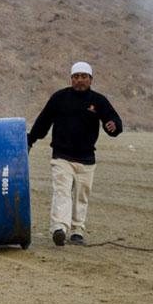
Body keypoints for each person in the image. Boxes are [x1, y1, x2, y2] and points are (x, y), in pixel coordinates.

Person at [27, 61, 122, 246]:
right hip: (62, 156)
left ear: (91, 79)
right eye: (76, 77)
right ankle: (59, 228)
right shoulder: (59, 98)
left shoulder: (99, 100)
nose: (80, 80)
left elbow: (113, 121)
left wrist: (114, 126)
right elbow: (43, 121)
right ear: (71, 79)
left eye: (84, 77)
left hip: (87, 159)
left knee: (81, 195)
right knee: (62, 191)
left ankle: (77, 231)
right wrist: (31, 139)